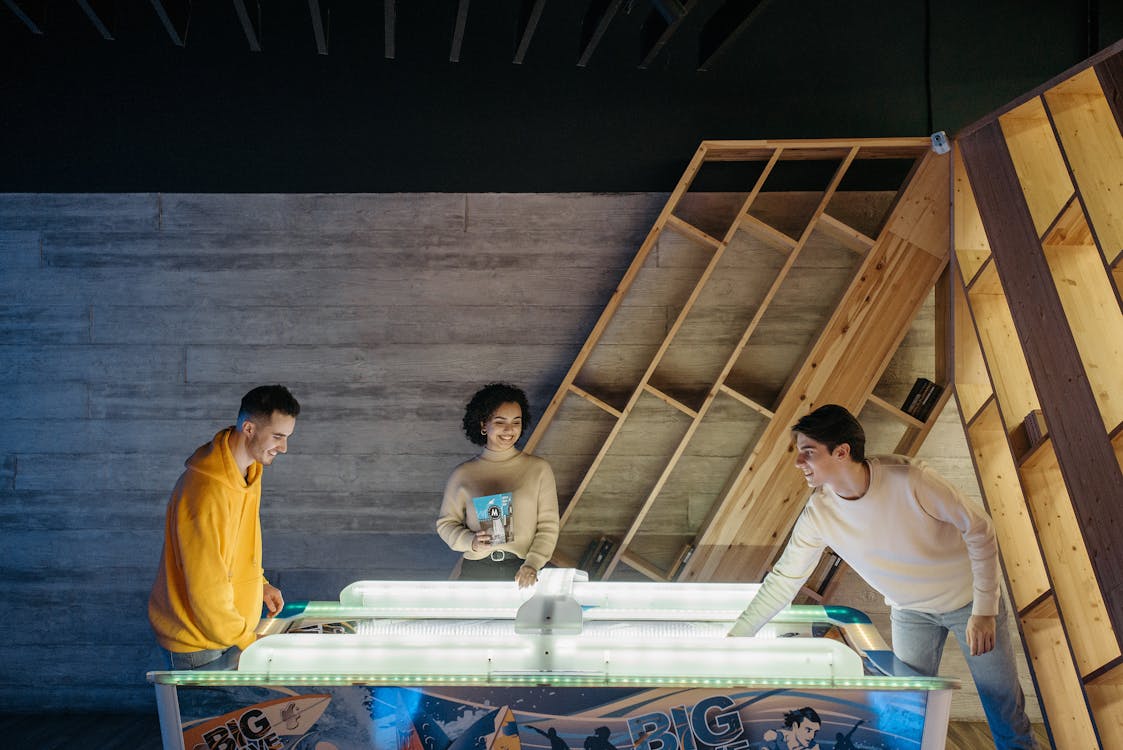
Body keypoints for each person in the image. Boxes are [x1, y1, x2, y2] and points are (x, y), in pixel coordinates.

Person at [728, 404, 1038, 750]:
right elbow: (785, 579)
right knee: (905, 713)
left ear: (842, 451)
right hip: (910, 611)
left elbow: (979, 529)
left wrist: (984, 609)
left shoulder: (911, 479)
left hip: (969, 603)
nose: (799, 463)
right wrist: (736, 639)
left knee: (1002, 707)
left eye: (808, 453)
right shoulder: (819, 512)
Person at [148, 384, 300, 670]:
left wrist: (259, 584)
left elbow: (235, 552)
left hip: (226, 633)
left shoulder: (246, 472)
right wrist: (249, 640)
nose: (284, 448)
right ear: (250, 428)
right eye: (278, 437)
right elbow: (205, 589)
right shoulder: (206, 492)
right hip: (198, 645)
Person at [436, 383, 559, 588]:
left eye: (516, 422)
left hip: (523, 572)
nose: (509, 430)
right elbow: (445, 524)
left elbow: (548, 526)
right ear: (484, 424)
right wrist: (470, 541)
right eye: (500, 422)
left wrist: (533, 563)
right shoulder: (463, 473)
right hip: (475, 571)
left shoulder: (539, 469)